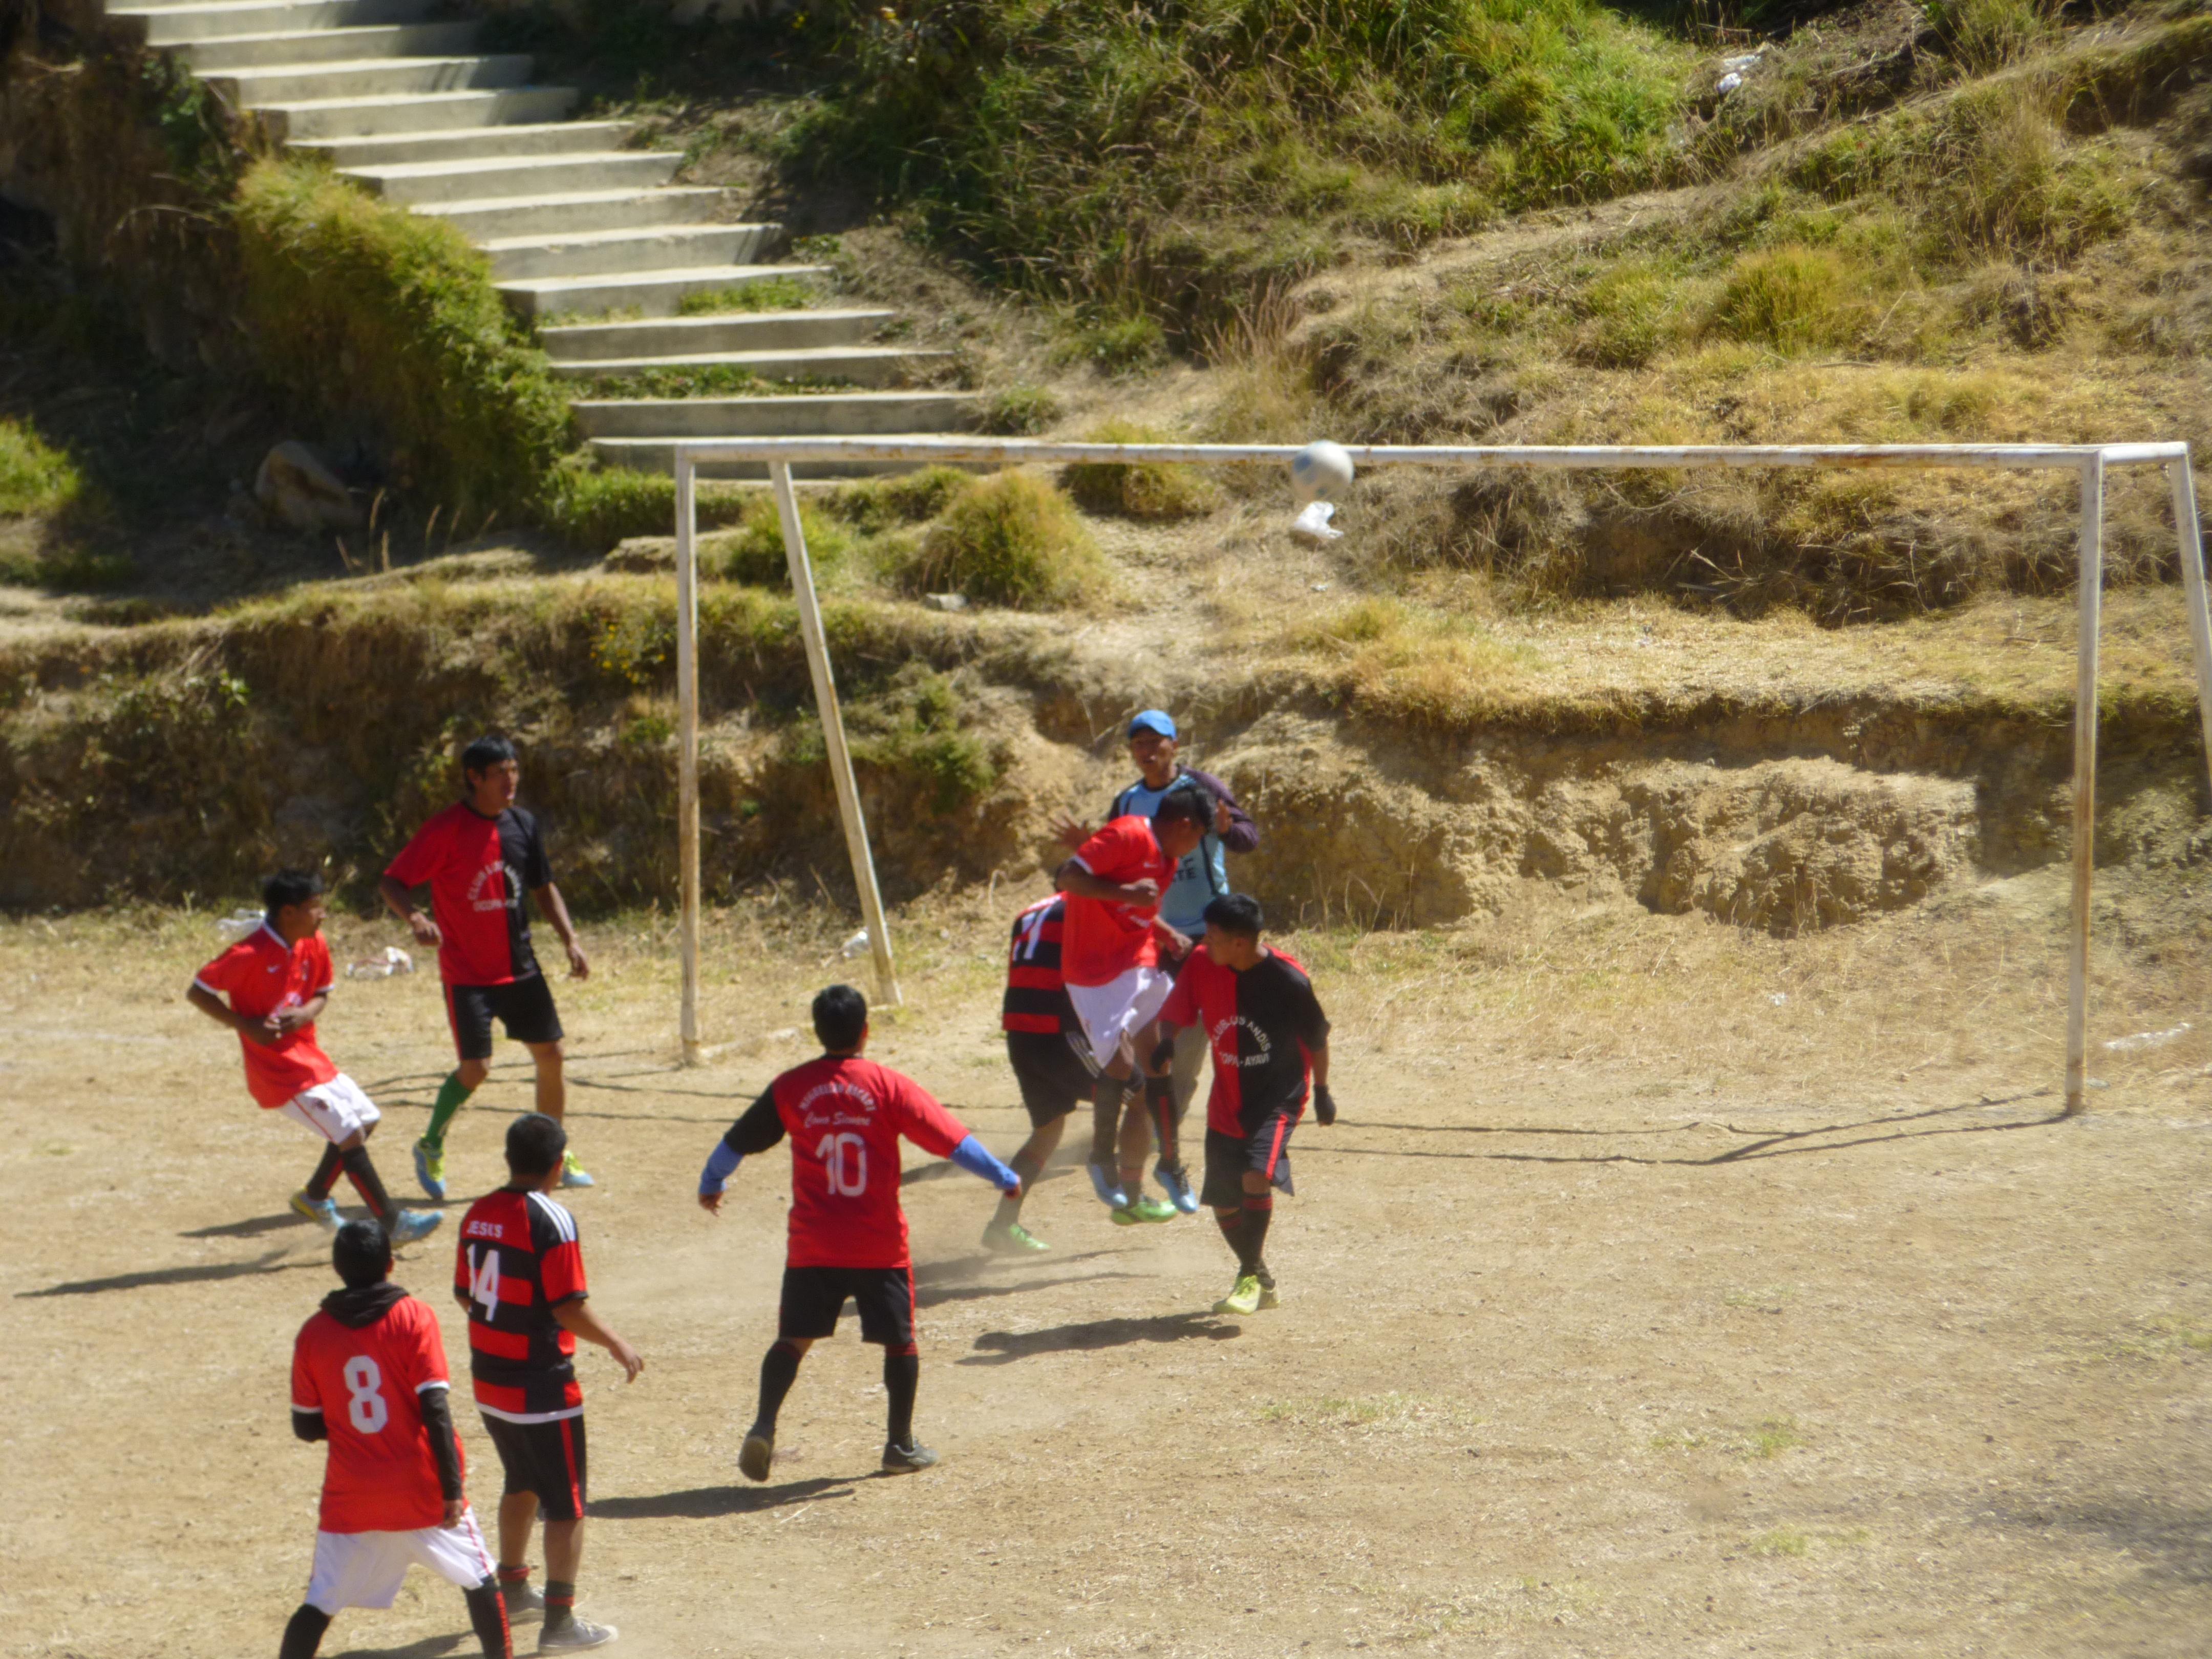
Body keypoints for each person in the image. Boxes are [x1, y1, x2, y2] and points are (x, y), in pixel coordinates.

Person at [698, 984, 1021, 1480]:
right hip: (878, 1245)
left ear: (817, 1031)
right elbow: (952, 1140)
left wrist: (712, 1181)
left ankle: (763, 1424)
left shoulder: (790, 1087)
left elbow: (737, 1141)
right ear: (865, 1031)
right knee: (901, 1343)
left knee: (792, 1339)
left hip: (814, 1245)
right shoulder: (887, 1085)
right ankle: (900, 1445)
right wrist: (1004, 1176)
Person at [1059, 710, 1260, 1214]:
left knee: (1184, 1056)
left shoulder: (1201, 791)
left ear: (1175, 745)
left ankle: (1161, 1154)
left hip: (1202, 938)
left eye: (1156, 742)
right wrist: (1101, 865)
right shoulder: (1130, 813)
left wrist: (1227, 827)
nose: (1147, 751)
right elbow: (1092, 871)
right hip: (1125, 960)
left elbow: (1248, 839)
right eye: (1138, 744)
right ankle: (1134, 1159)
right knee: (1158, 1064)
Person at [454, 1114, 642, 1651]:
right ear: (557, 1166)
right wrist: (615, 1343)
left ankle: (513, 1587)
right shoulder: (552, 1220)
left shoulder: (478, 1213)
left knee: (521, 1480)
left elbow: (466, 1294)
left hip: (490, 1379)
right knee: (567, 1506)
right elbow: (568, 1309)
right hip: (540, 1388)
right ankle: (559, 1624)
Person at [281, 1219, 510, 1659]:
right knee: (479, 1580)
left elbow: (306, 1428)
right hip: (421, 1487)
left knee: (318, 1604)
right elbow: (435, 1409)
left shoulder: (313, 1333)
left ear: (337, 1268)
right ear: (390, 1263)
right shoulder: (414, 1317)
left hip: (352, 1497)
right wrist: (452, 1488)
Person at [381, 735, 594, 1200]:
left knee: (551, 1056)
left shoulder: (523, 825)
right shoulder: (446, 829)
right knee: (476, 1069)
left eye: (514, 770)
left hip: (520, 967)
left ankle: (553, 1154)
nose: (510, 780)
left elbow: (543, 887)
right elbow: (393, 880)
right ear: (474, 778)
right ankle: (431, 1143)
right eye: (500, 772)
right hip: (468, 974)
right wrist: (416, 917)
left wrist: (570, 940)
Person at [188, 869, 442, 1245]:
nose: (322, 914)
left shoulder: (314, 942)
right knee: (349, 1134)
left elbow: (322, 993)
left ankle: (314, 1198)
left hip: (309, 1057)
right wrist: (246, 1026)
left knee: (367, 1119)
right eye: (314, 907)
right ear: (288, 913)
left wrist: (306, 1014)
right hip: (277, 1071)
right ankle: (393, 1223)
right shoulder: (249, 954)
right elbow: (199, 991)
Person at [1154, 893, 1337, 1316]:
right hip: (1227, 1100)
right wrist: (1167, 1042)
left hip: (1279, 1097)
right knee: (1223, 1200)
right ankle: (1259, 1276)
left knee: (1257, 1176)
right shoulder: (1203, 963)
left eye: (1214, 937)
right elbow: (1177, 1010)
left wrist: (1324, 1092)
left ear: (1240, 943)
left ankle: (1250, 1278)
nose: (1205, 943)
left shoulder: (1288, 979)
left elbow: (1317, 1038)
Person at [1052, 789, 1211, 1223]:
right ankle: (1101, 1157)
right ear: (1185, 826)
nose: (1194, 847)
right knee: (1121, 1063)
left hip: (1135, 960)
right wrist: (1125, 890)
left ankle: (1170, 1166)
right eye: (1197, 837)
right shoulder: (1126, 834)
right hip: (1092, 972)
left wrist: (1164, 933)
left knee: (1159, 1062)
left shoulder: (1167, 858)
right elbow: (1068, 878)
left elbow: (1138, 910)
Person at [981, 895, 1099, 1253]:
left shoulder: (1026, 912)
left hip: (1019, 1031)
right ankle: (1130, 1192)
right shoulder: (1086, 910)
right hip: (1058, 1030)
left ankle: (1002, 1224)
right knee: (1136, 1091)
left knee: (1048, 1131)